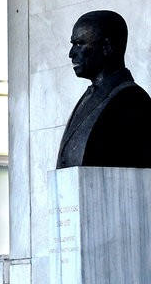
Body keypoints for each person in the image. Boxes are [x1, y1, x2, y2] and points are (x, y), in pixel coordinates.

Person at [56, 10, 151, 169]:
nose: (71, 54)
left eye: (79, 44)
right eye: (72, 44)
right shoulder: (89, 97)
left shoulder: (132, 101)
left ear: (107, 47)